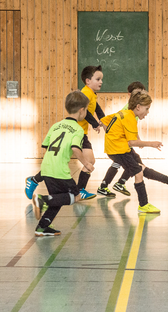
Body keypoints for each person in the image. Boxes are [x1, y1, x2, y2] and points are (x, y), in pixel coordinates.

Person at [24, 65, 105, 200]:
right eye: (98, 79)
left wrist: (104, 120)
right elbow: (87, 112)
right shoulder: (85, 93)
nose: (101, 82)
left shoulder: (92, 94)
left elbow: (97, 108)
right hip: (73, 131)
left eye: (101, 79)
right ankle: (35, 180)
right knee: (60, 162)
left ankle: (80, 190)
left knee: (89, 160)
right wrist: (95, 124)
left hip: (81, 132)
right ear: (88, 81)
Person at [100, 89, 168, 213]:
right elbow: (132, 142)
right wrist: (152, 144)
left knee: (141, 167)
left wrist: (112, 135)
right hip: (118, 150)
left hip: (118, 148)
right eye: (147, 109)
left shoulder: (123, 113)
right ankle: (143, 205)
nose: (148, 112)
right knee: (138, 172)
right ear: (138, 107)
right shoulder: (129, 117)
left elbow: (104, 120)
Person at [31, 90, 96, 236]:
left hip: (46, 167)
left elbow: (46, 145)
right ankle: (42, 200)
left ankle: (42, 227)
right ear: (82, 110)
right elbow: (75, 148)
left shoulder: (56, 125)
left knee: (58, 199)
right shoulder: (78, 129)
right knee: (76, 196)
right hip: (60, 171)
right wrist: (86, 164)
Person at [97, 81, 146, 198]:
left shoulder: (133, 108)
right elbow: (110, 121)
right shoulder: (129, 108)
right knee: (134, 162)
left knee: (120, 162)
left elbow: (131, 127)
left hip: (123, 141)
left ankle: (106, 186)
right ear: (130, 95)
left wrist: (137, 138)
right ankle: (118, 183)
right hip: (121, 142)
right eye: (138, 94)